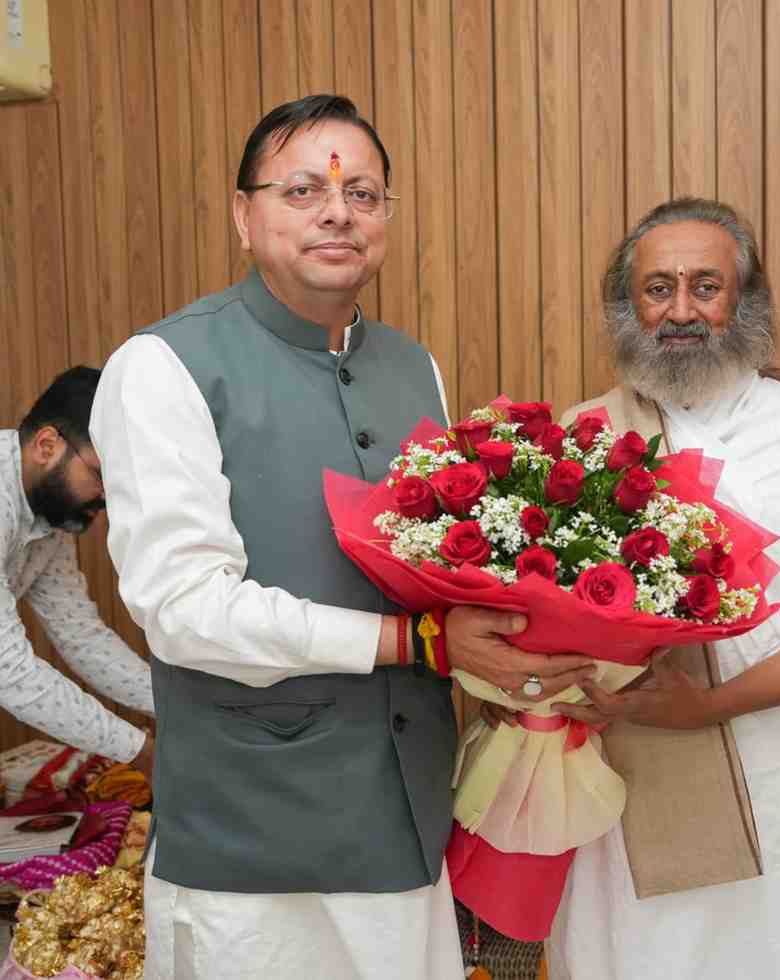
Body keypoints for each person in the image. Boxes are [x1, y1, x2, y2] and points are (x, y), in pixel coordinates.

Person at [90, 94, 593, 980]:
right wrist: (416, 642)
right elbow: (185, 611)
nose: (337, 212)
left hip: (405, 814)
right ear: (243, 216)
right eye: (303, 191)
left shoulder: (410, 365)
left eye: (362, 193)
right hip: (253, 843)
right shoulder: (163, 366)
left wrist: (516, 657)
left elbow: (437, 571)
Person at [539, 198, 780, 978]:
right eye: (658, 289)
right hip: (621, 773)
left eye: (706, 286)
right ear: (627, 308)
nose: (682, 311)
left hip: (774, 771)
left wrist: (709, 707)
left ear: (745, 302)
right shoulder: (586, 432)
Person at [0, 367, 154, 775]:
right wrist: (142, 753)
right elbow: (9, 671)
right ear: (47, 445)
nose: (107, 497)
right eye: (101, 476)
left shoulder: (47, 519)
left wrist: (176, 704)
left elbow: (82, 638)